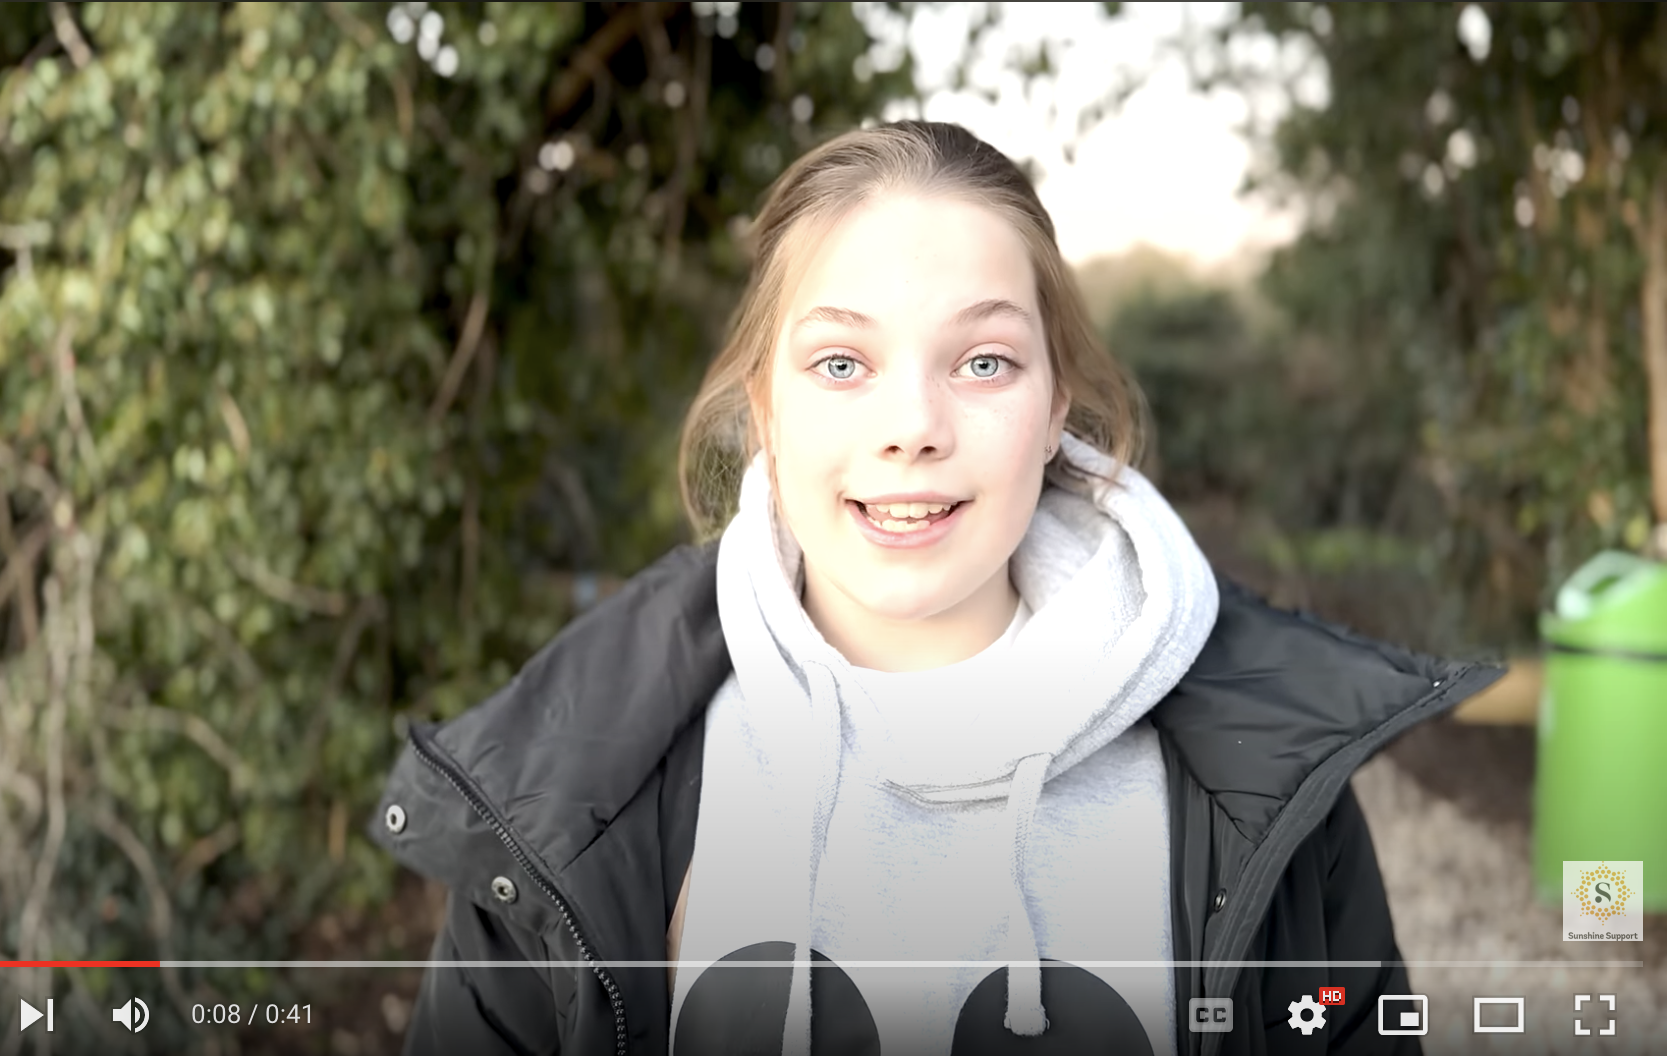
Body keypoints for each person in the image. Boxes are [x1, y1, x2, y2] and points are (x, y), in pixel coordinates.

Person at [369, 121, 1503, 1056]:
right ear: (764, 411)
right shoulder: (563, 793)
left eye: (983, 361)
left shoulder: (1270, 780)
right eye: (841, 363)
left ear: (1055, 410)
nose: (911, 426)